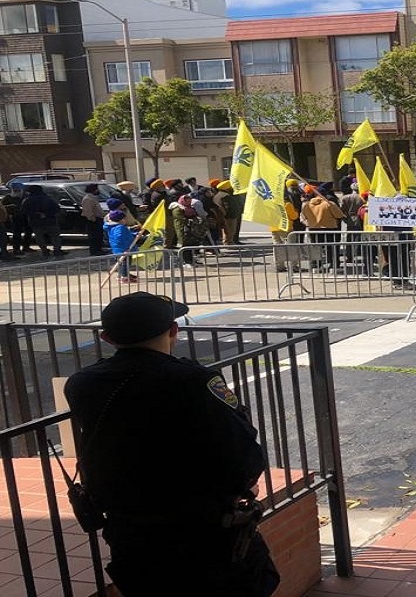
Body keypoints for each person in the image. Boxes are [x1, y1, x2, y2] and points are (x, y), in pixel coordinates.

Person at [64, 292, 279, 596]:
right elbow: (243, 453)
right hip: (202, 533)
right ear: (174, 330)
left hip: (130, 533)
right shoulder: (192, 380)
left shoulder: (82, 383)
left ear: (107, 337)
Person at [21, 184, 65, 257]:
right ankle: (57, 250)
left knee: (39, 237)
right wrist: (47, 214)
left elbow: (24, 211)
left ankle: (44, 250)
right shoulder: (48, 198)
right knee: (55, 236)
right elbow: (57, 208)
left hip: (35, 221)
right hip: (50, 220)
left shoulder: (28, 200)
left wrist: (36, 214)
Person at [104, 210, 140, 283]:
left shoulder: (112, 227)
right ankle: (124, 277)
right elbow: (120, 237)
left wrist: (134, 233)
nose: (125, 220)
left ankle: (122, 275)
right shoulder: (120, 227)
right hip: (123, 249)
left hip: (117, 249)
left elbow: (126, 234)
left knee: (121, 263)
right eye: (124, 218)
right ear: (120, 220)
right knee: (125, 263)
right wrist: (126, 246)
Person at [81, 184, 107, 256]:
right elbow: (88, 212)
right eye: (96, 189)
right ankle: (94, 251)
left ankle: (99, 249)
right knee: (94, 237)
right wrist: (93, 219)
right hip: (93, 221)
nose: (98, 191)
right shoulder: (87, 199)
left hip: (98, 220)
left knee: (99, 236)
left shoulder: (93, 198)